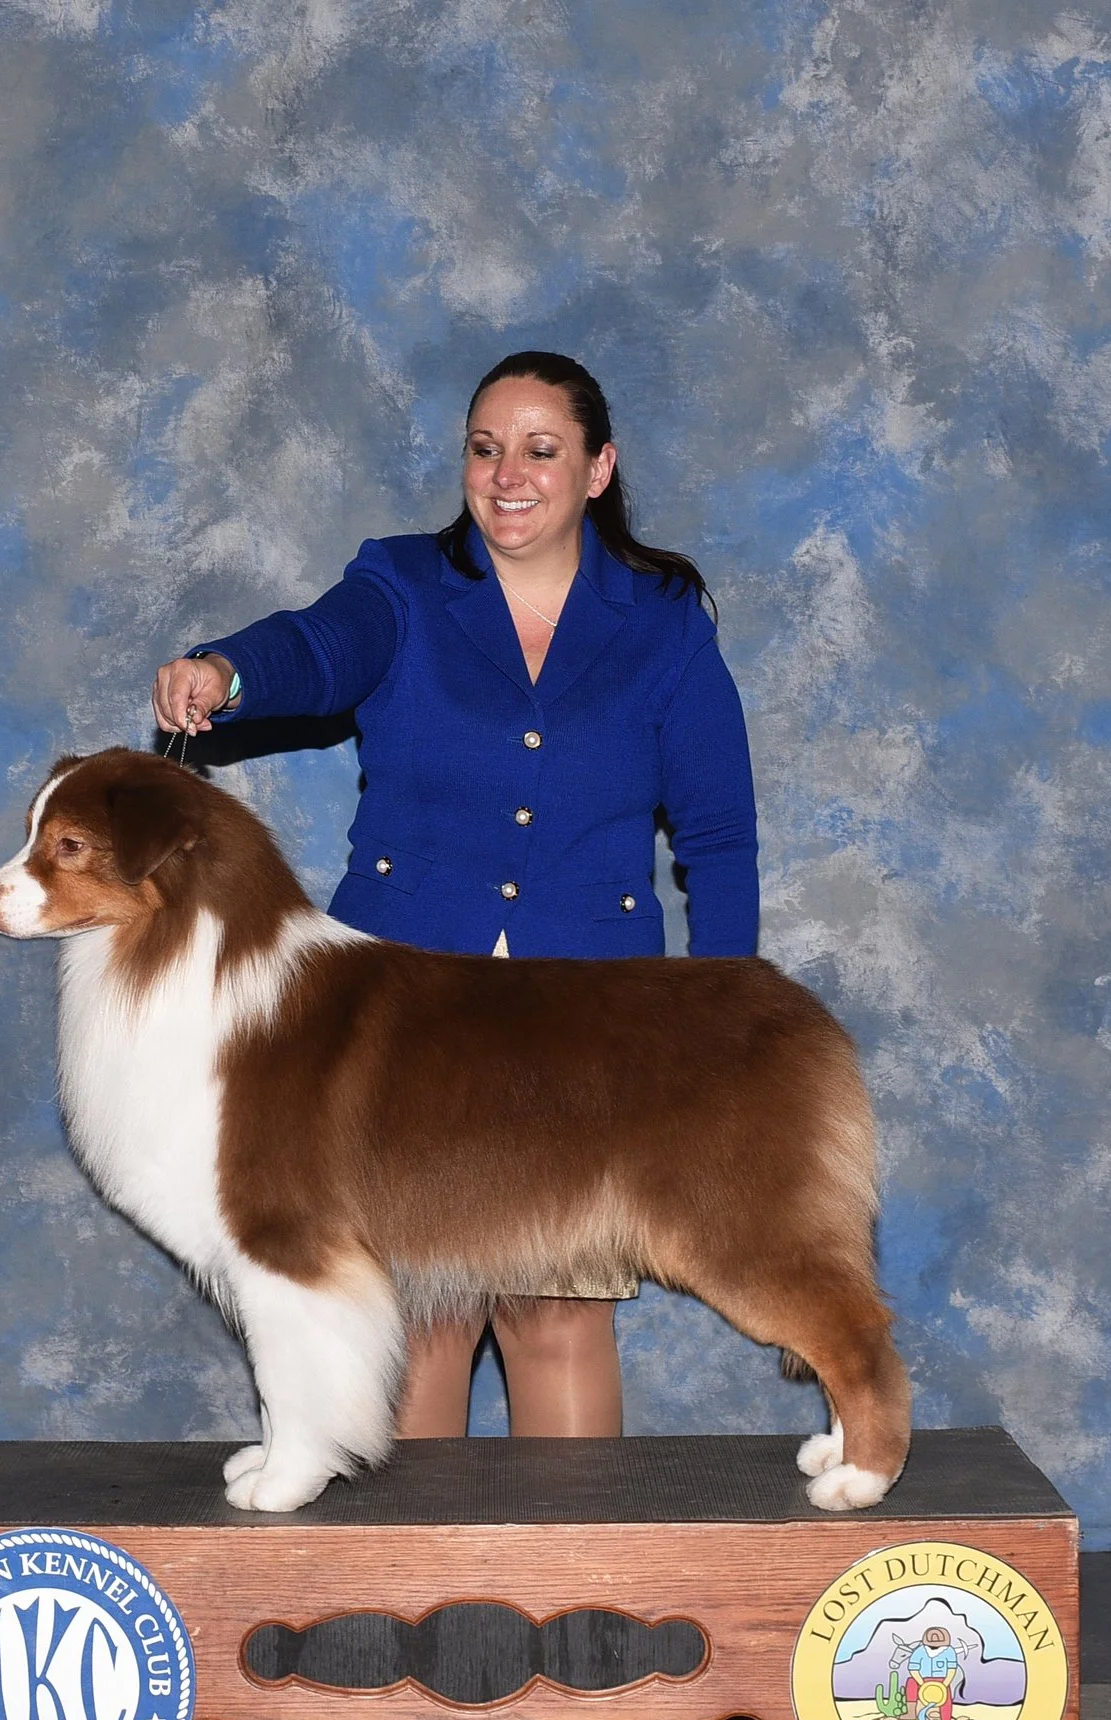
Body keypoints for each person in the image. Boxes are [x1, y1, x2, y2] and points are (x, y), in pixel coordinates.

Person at [150, 350, 757, 1443]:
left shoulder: (662, 620)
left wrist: (724, 1011)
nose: (507, 474)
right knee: (418, 1318)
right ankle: (407, 1608)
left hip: (588, 1016)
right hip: (404, 1016)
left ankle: (579, 1606)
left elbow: (714, 834)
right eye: (485, 448)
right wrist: (233, 672)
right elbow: (318, 647)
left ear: (598, 467)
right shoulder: (400, 585)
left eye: (540, 449)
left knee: (556, 1316)